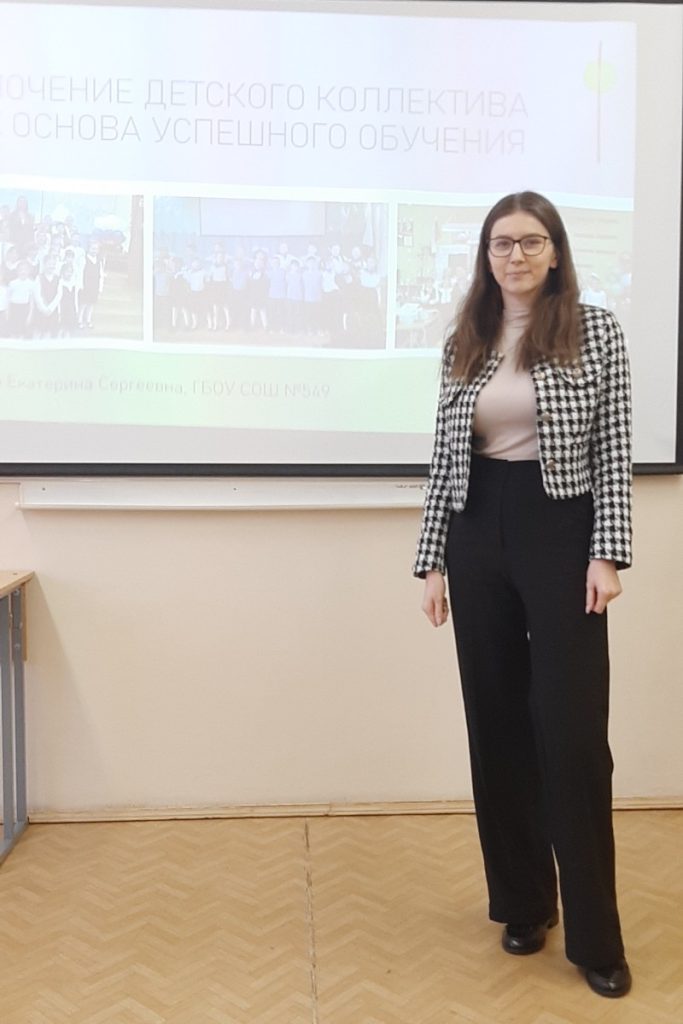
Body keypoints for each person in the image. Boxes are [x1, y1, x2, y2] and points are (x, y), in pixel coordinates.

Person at [414, 192, 632, 999]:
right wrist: (432, 562)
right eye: (501, 243)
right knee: (495, 722)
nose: (515, 255)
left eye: (530, 242)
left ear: (555, 251)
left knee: (571, 736)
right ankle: (521, 903)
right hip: (476, 528)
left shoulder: (593, 329)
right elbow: (444, 457)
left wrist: (605, 553)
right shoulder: (464, 338)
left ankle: (595, 939)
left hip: (558, 525)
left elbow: (612, 447)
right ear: (486, 255)